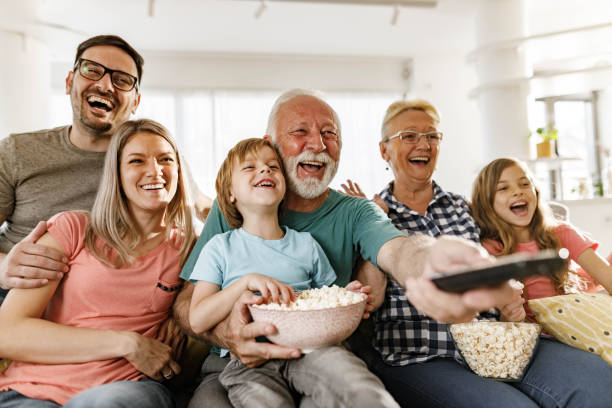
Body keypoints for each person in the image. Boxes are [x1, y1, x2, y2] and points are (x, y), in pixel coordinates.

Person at [173, 89, 516, 407]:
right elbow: (187, 306)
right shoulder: (235, 209)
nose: (318, 145)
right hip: (231, 364)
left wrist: (435, 260)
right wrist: (231, 335)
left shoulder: (356, 212)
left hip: (318, 356)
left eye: (329, 133)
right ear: (271, 144)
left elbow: (398, 250)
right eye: (300, 132)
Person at [343, 99, 612, 407]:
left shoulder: (467, 208)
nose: (424, 144)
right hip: (422, 355)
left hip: (498, 343)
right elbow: (371, 294)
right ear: (384, 151)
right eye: (409, 136)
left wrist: (507, 301)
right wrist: (373, 222)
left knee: (596, 378)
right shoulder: (372, 215)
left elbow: (513, 245)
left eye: (432, 136)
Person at [188, 137, 398, 407]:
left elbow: (325, 297)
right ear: (230, 193)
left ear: (284, 187)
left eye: (273, 167)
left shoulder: (306, 245)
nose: (264, 170)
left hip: (312, 351)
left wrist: (348, 297)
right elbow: (197, 319)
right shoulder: (220, 248)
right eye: (250, 167)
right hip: (251, 361)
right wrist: (244, 284)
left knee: (358, 386)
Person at [0, 34, 211, 303]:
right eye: (92, 70)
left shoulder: (154, 162)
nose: (104, 85)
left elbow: (205, 209)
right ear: (69, 82)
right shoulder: (17, 152)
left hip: (110, 304)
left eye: (122, 80)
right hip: (19, 296)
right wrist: (3, 267)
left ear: (135, 102)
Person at [0, 119, 195, 407]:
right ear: (116, 174)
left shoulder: (190, 247)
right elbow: (7, 333)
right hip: (31, 389)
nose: (155, 171)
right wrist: (128, 343)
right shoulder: (72, 229)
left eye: (165, 159)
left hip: (124, 389)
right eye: (136, 161)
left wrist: (180, 317)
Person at [471, 157, 612, 321]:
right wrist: (509, 317)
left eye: (524, 184)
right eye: (503, 188)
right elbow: (505, 322)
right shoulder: (489, 249)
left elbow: (607, 278)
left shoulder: (562, 232)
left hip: (573, 324)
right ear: (486, 202)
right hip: (532, 336)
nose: (518, 191)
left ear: (535, 192)